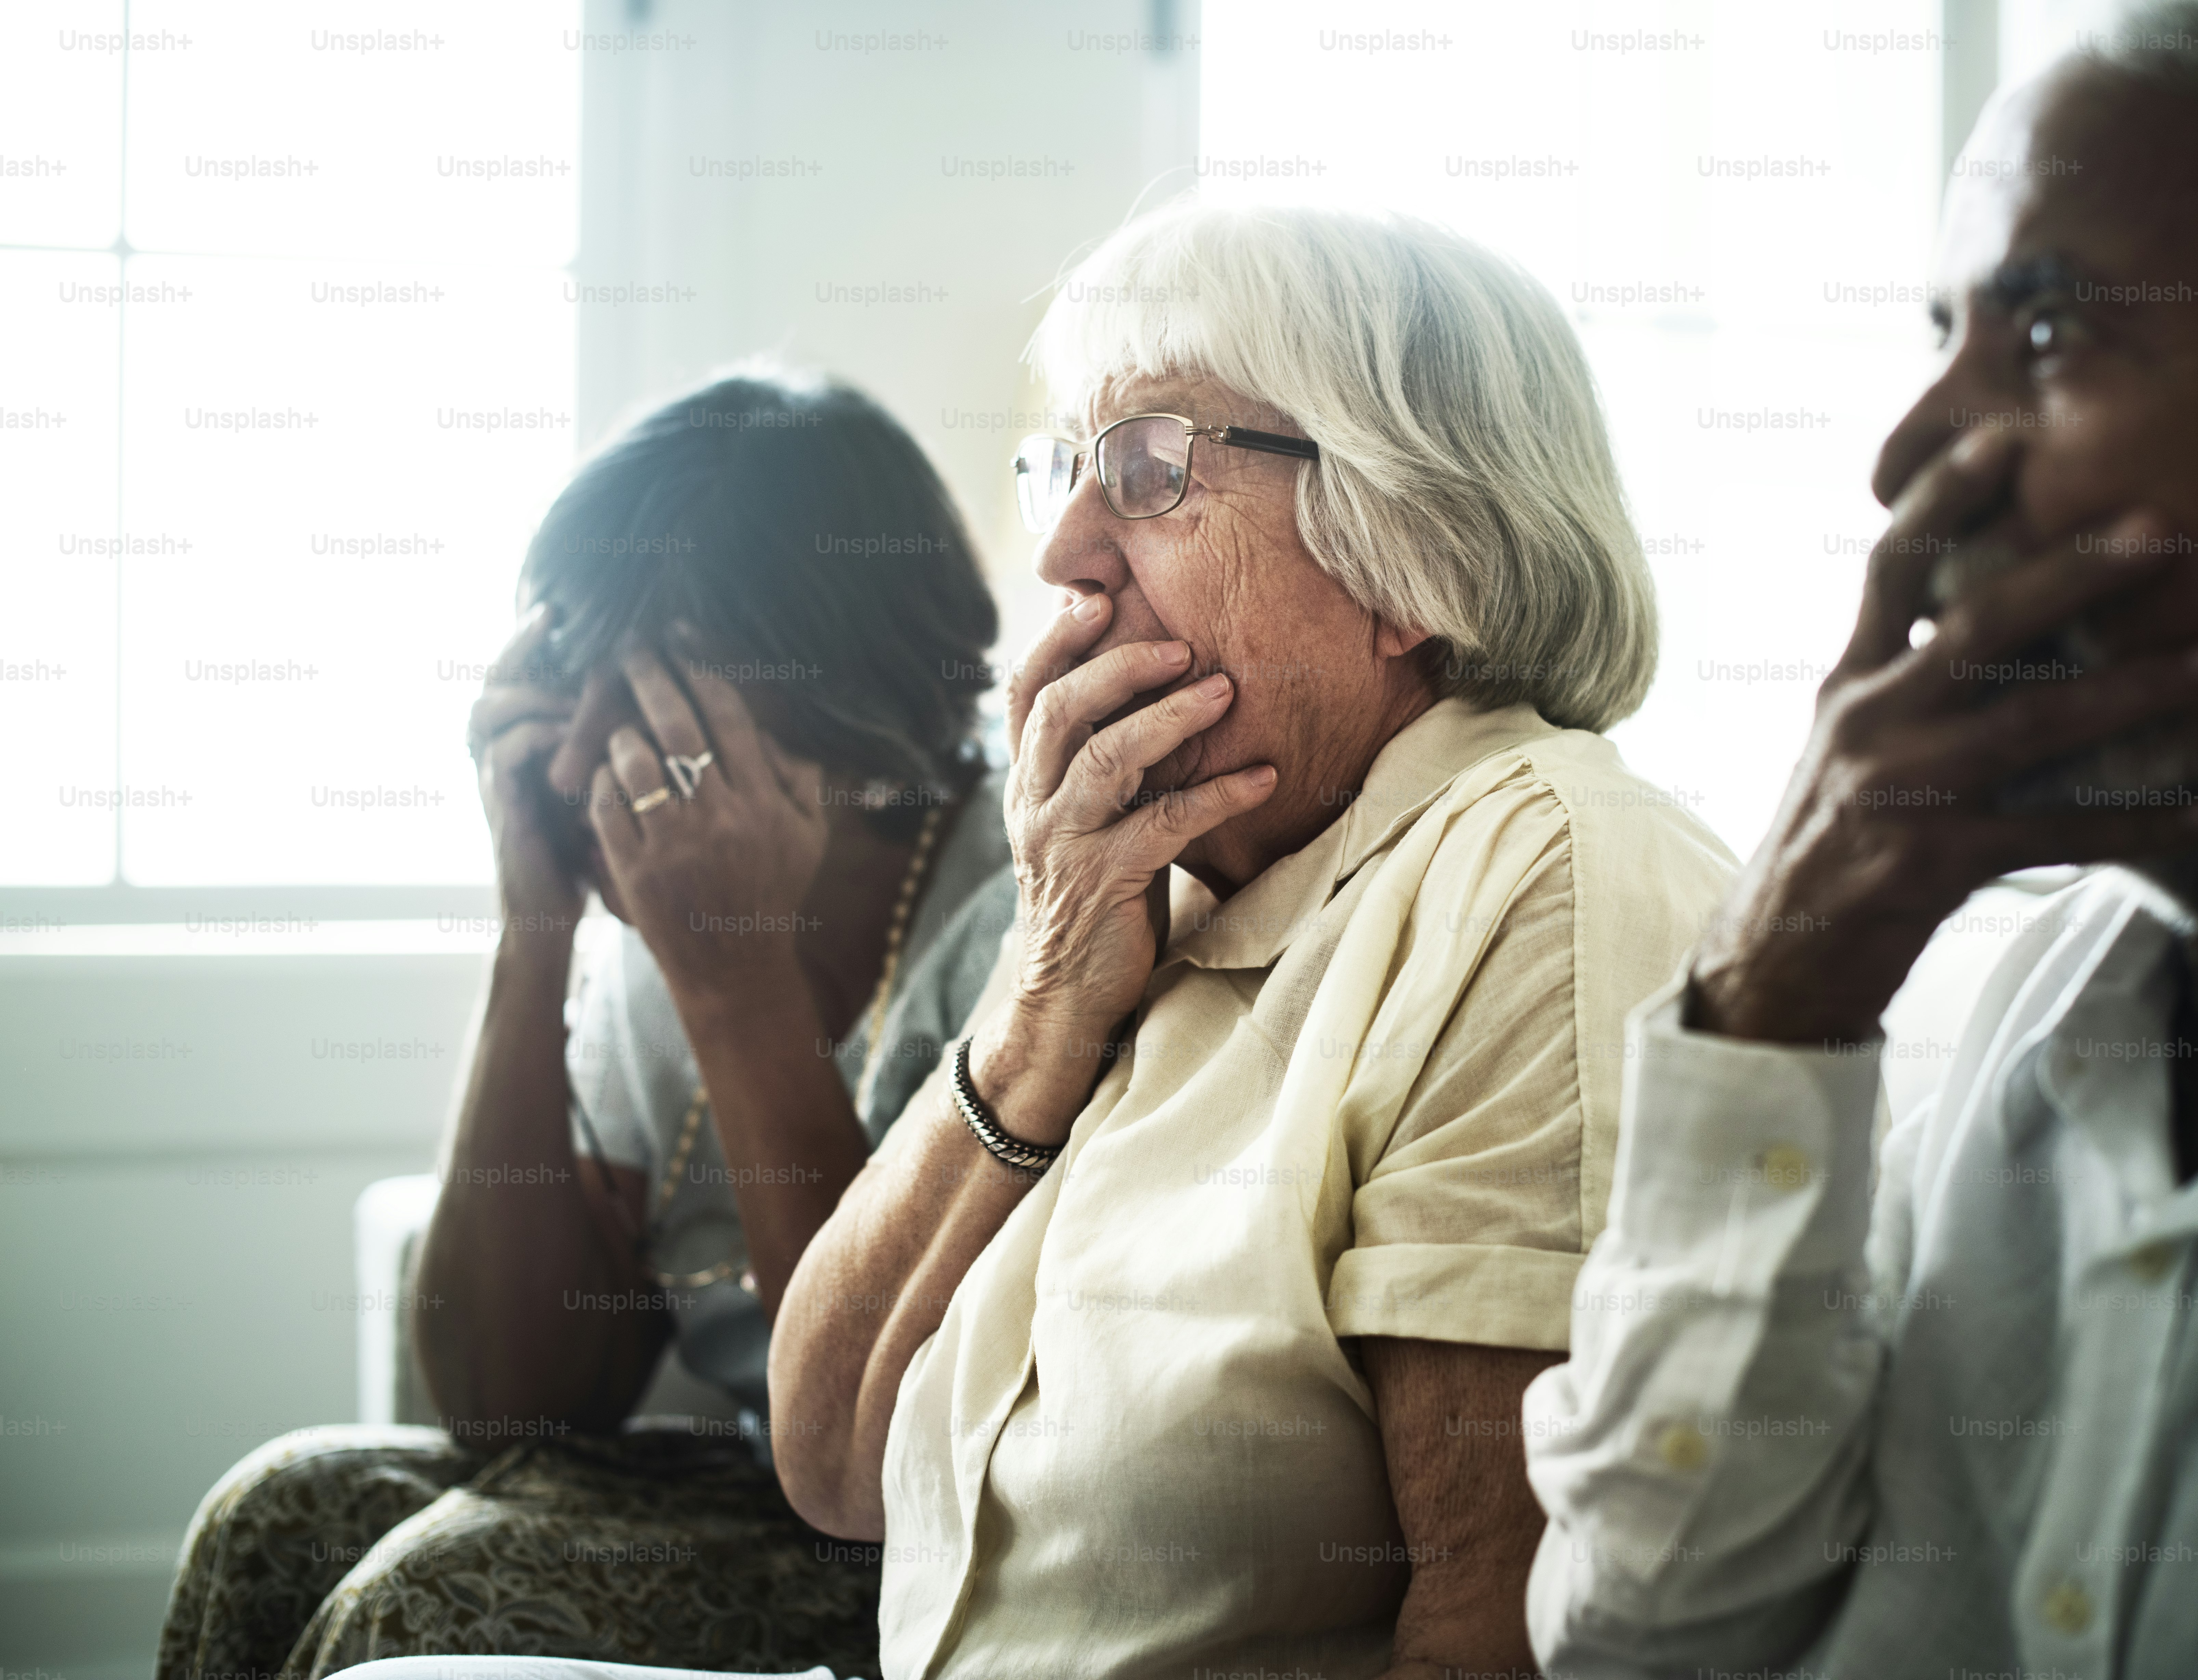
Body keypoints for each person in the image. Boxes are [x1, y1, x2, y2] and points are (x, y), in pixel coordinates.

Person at [1525, 3, 2198, 1674]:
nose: (1910, 457)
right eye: (1944, 332)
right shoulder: (2045, 1007)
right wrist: (1780, 987)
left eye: (2047, 335)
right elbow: (1646, 1646)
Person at [754, 201, 1735, 1680]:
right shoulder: (1167, 895)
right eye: (1065, 472)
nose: (1068, 556)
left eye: (1150, 467)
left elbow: (1502, 1629)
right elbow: (830, 1468)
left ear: (1415, 549)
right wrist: (1038, 999)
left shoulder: (1541, 873)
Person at [157, 375, 1017, 1680]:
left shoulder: (1019, 922)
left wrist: (736, 990)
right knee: (271, 1516)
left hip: (938, 1535)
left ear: (835, 698)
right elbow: (512, 1403)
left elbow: (901, 1445)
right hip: (753, 1491)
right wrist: (535, 927)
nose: (576, 768)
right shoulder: (640, 909)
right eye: (571, 680)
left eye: (652, 693)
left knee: (441, 1596)